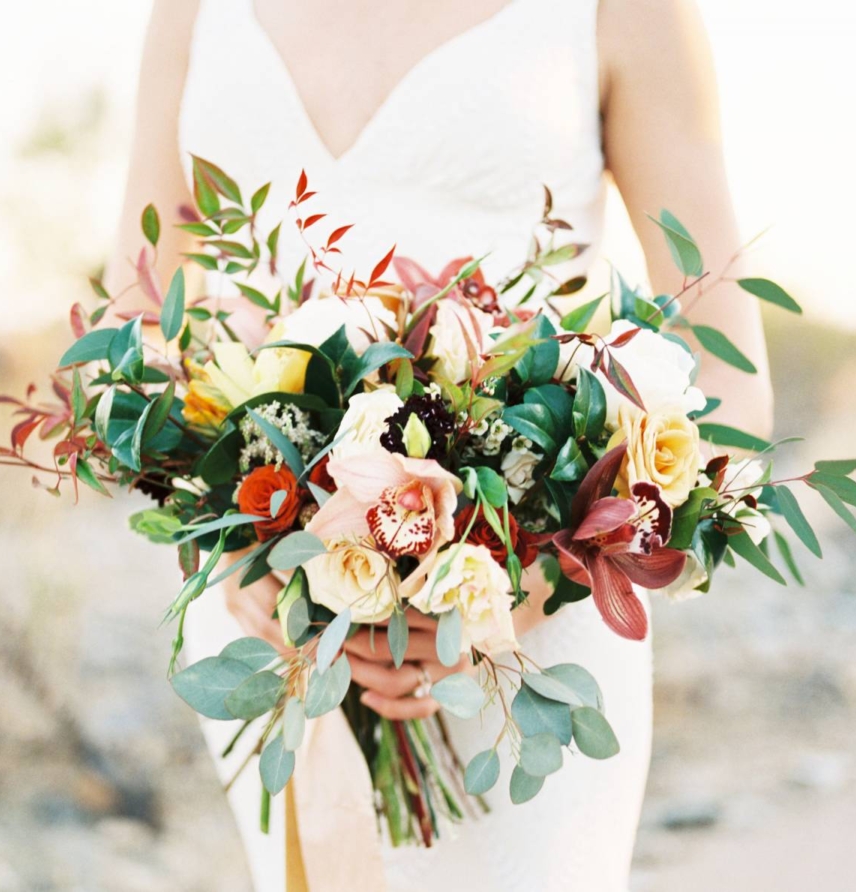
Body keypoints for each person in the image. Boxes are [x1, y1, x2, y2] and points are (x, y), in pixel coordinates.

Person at [104, 1, 773, 889]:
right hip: (268, 606)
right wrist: (242, 542)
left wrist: (538, 574)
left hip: (532, 622)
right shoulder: (191, 12)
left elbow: (725, 372)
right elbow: (140, 316)